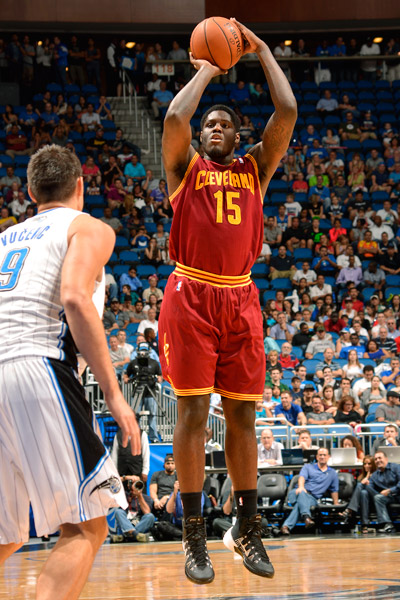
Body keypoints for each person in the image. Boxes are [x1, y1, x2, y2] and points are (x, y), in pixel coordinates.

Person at [158, 18, 296, 584]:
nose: (213, 128)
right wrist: (209, 71)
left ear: (239, 137)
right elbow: (173, 119)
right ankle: (194, 538)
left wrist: (261, 49)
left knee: (243, 417)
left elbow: (284, 112)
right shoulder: (184, 167)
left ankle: (246, 526)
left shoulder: (254, 170)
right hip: (190, 294)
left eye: (223, 125)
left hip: (240, 299)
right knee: (192, 415)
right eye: (209, 124)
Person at [0, 145, 140, 598]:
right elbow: (76, 299)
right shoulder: (87, 227)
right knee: (85, 527)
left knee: (6, 536)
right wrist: (115, 398)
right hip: (38, 366)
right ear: (81, 186)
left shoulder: (4, 239)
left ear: (29, 191)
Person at [280, 447, 339, 535]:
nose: (322, 457)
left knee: (300, 504)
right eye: (320, 455)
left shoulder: (332, 473)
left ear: (328, 457)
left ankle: (286, 527)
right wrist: (301, 487)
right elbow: (302, 477)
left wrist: (336, 503)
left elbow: (334, 490)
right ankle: (306, 517)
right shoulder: (308, 467)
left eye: (324, 455)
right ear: (317, 457)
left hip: (312, 499)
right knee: (302, 494)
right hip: (297, 492)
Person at [124, 342, 162, 442]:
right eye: (141, 351)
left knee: (152, 415)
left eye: (145, 351)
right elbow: (126, 374)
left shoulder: (154, 363)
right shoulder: (133, 363)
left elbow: (160, 375)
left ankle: (153, 437)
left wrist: (159, 379)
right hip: (137, 390)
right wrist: (126, 379)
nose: (143, 353)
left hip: (150, 392)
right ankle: (135, 437)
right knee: (135, 415)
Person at [339, 455, 376, 534]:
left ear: (373, 465)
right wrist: (366, 477)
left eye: (369, 464)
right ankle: (364, 525)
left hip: (375, 500)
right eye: (365, 464)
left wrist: (368, 481)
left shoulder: (377, 475)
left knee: (360, 486)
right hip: (363, 502)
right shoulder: (360, 477)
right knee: (363, 493)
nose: (367, 466)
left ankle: (349, 510)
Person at [368, 450, 400, 534]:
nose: (378, 460)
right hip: (389, 497)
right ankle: (388, 524)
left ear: (386, 459)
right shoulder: (375, 475)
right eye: (376, 459)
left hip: (398, 493)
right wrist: (365, 481)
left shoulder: (396, 467)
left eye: (380, 458)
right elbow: (370, 487)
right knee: (378, 498)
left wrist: (390, 490)